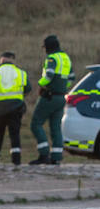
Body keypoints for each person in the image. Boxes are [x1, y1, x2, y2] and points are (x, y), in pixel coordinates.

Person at [29, 34, 72, 165]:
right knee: (56, 127)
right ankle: (56, 157)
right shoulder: (66, 58)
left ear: (48, 47)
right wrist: (62, 87)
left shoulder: (52, 58)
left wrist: (41, 84)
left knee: (35, 123)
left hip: (49, 96)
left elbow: (49, 75)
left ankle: (44, 154)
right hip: (61, 97)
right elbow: (71, 77)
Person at [0, 51, 29, 165]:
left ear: (2, 60)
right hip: (16, 108)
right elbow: (28, 88)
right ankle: (16, 161)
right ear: (13, 60)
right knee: (14, 134)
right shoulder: (21, 73)